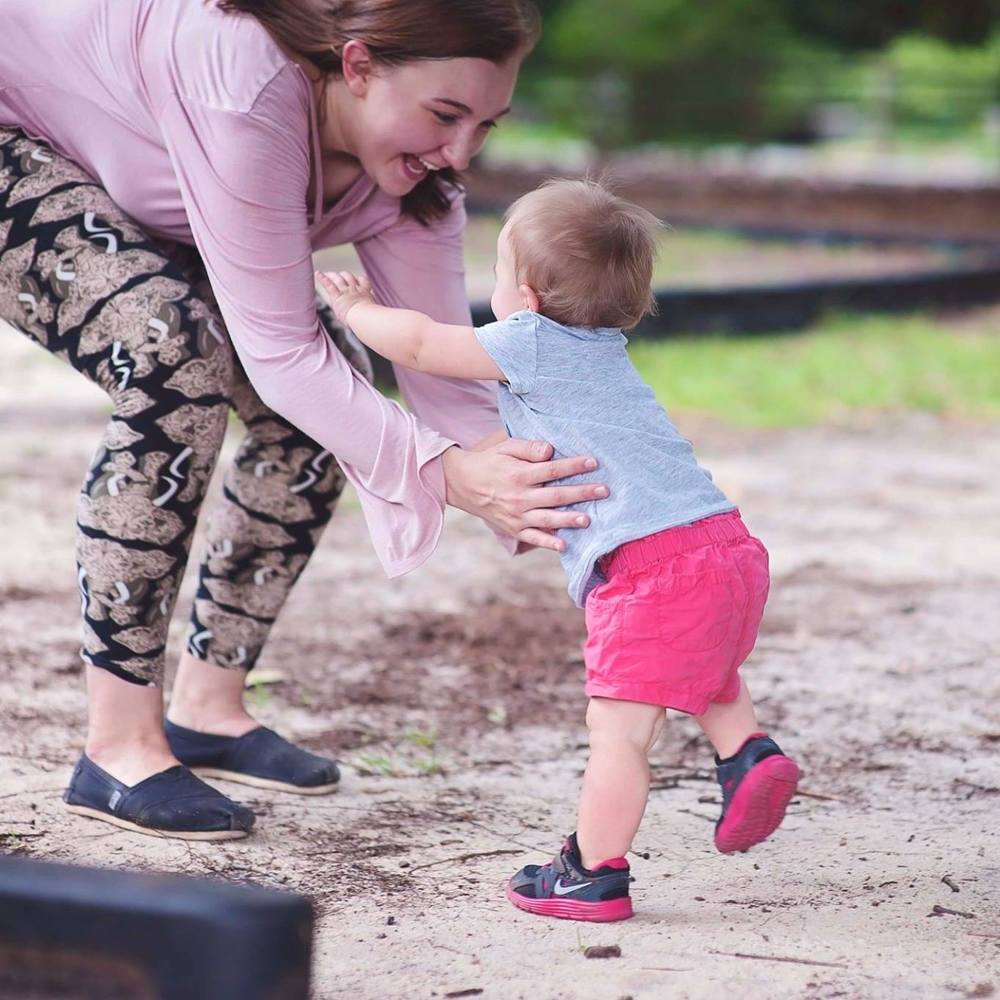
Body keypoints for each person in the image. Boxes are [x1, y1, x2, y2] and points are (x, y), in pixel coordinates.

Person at [0, 0, 611, 841]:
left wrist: (561, 502)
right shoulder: (248, 91)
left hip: (125, 167)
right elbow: (283, 357)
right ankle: (118, 745)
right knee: (176, 357)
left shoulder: (418, 181)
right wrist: (444, 476)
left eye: (486, 124)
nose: (461, 150)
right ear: (356, 66)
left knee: (333, 404)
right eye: (444, 114)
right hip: (13, 136)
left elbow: (443, 375)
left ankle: (207, 710)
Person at [317, 177, 801, 921]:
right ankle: (748, 753)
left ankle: (591, 871)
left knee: (619, 737)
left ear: (530, 295)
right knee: (703, 664)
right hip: (727, 545)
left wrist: (356, 309)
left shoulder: (532, 343)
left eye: (502, 273)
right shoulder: (605, 352)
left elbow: (418, 345)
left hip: (653, 569)